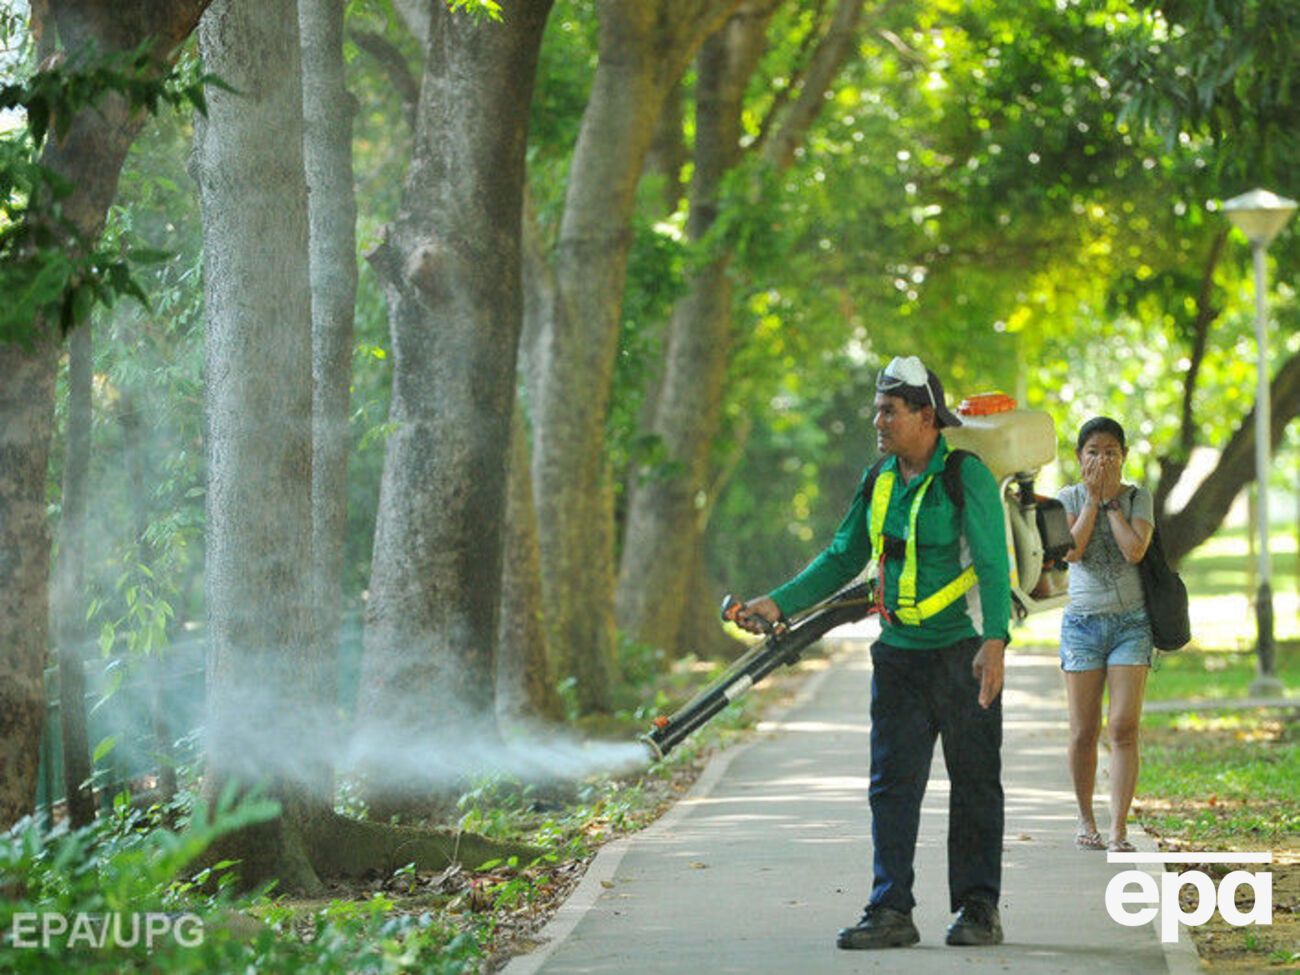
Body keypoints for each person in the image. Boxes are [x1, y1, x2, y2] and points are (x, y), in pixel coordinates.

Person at [736, 355, 1012, 950]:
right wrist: (778, 603)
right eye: (877, 410)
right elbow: (841, 557)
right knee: (892, 785)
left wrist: (995, 642)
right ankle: (891, 909)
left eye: (889, 411)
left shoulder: (967, 477)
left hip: (964, 654)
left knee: (974, 783)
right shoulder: (880, 479)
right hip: (899, 658)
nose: (878, 421)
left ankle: (979, 908)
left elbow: (993, 563)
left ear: (925, 416)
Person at [1056, 416, 1154, 854]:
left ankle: (1118, 829)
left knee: (1123, 725)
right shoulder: (1068, 499)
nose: (1102, 459)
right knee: (1082, 730)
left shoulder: (1138, 499)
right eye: (1093, 451)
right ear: (1079, 460)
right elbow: (1071, 551)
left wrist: (1113, 503)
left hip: (1131, 624)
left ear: (1125, 457)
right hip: (1082, 625)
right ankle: (1085, 819)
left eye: (1111, 451)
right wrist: (1093, 503)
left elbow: (1135, 550)